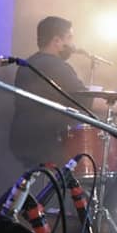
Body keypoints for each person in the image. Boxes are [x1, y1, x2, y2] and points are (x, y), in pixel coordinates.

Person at [9, 15, 88, 168]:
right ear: (57, 41)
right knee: (80, 165)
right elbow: (84, 99)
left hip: (21, 139)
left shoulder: (28, 64)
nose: (73, 44)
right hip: (47, 142)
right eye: (69, 38)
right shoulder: (57, 66)